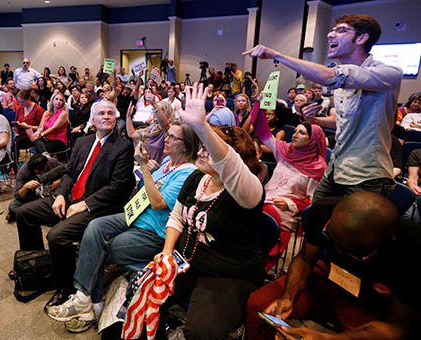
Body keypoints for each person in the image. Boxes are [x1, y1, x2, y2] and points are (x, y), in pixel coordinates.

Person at [46, 122, 200, 332]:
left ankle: (91, 305)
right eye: (167, 135)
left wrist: (144, 167)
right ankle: (86, 299)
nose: (166, 139)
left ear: (186, 145)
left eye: (173, 137)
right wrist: (148, 171)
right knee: (95, 227)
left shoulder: (188, 174)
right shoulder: (166, 163)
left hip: (152, 231)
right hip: (134, 217)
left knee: (98, 249)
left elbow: (157, 202)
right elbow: (142, 191)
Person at [244, 14, 402, 200]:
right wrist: (314, 120)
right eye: (332, 29)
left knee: (349, 228)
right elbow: (341, 121)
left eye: (341, 30)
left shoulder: (388, 73)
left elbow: (329, 77)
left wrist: (276, 55)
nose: (330, 35)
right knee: (313, 219)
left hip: (366, 175)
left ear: (361, 38)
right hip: (336, 167)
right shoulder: (342, 86)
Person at [153, 83, 265, 340]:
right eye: (202, 146)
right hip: (187, 262)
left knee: (202, 332)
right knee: (146, 294)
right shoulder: (196, 178)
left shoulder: (247, 190)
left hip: (228, 274)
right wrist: (167, 253)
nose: (201, 152)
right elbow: (177, 217)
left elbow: (230, 162)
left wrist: (202, 126)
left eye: (208, 148)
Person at [245, 192, 420, 340]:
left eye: (349, 251)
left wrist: (328, 338)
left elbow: (397, 327)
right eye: (332, 239)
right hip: (328, 278)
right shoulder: (323, 212)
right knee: (259, 304)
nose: (336, 250)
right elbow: (306, 259)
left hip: (373, 302)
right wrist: (288, 296)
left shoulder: (410, 251)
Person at [15, 100, 134, 310]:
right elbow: (69, 173)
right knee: (23, 212)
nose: (106, 117)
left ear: (115, 118)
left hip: (98, 206)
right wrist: (60, 194)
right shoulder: (83, 142)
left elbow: (117, 188)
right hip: (69, 198)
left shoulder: (123, 147)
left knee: (57, 236)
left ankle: (66, 287)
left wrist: (85, 205)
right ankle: (37, 263)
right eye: (101, 114)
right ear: (93, 120)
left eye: (110, 113)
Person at [251, 101, 327, 232]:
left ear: (312, 140)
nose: (295, 135)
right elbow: (261, 129)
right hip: (264, 199)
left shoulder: (318, 167)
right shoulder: (284, 151)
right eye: (295, 131)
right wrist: (260, 102)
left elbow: (313, 204)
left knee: (257, 216)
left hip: (286, 211)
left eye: (302, 133)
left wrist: (290, 204)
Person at [7, 154, 60, 222]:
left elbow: (68, 174)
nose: (41, 173)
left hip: (51, 196)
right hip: (33, 197)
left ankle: (29, 215)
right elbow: (19, 197)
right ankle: (41, 216)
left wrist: (59, 182)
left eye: (43, 171)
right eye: (38, 172)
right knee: (13, 206)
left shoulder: (52, 162)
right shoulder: (23, 171)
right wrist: (25, 187)